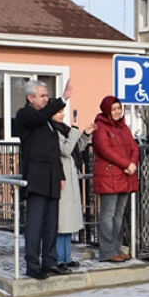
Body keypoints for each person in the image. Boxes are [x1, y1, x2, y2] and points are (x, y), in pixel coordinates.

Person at [16, 79, 73, 279]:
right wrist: (62, 99)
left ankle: (50, 261)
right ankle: (32, 264)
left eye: (47, 95)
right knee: (35, 224)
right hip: (36, 177)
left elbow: (54, 150)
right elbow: (38, 117)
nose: (46, 99)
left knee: (51, 224)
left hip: (51, 178)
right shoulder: (25, 114)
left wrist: (60, 175)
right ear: (30, 98)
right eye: (42, 95)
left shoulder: (48, 120)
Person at [91, 96, 140, 262]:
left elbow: (134, 147)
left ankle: (117, 248)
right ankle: (107, 252)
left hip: (124, 175)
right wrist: (127, 164)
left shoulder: (124, 127)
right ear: (107, 111)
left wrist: (133, 163)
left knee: (119, 215)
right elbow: (105, 150)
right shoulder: (100, 128)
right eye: (114, 109)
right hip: (109, 175)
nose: (117, 111)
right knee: (108, 215)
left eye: (119, 108)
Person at [53, 105, 95, 269]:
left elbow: (75, 148)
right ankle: (58, 258)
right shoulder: (53, 131)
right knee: (61, 221)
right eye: (59, 111)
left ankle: (66, 256)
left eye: (63, 111)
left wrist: (84, 134)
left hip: (70, 178)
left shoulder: (64, 130)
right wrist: (76, 129)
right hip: (62, 179)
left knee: (68, 221)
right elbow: (66, 149)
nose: (63, 114)